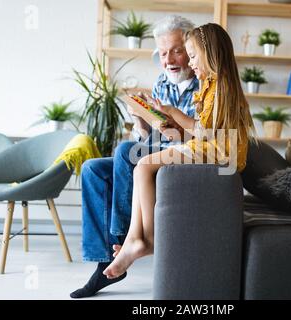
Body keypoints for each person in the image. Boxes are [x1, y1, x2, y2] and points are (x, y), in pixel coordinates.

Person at [103, 23, 256, 280]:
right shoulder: (212, 85)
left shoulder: (221, 87)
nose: (191, 62)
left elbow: (207, 134)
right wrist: (165, 120)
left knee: (143, 166)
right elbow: (202, 131)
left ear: (211, 54)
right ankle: (134, 239)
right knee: (142, 166)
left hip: (219, 153)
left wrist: (173, 113)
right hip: (211, 148)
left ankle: (149, 240)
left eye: (193, 56)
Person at [70, 15, 198, 299]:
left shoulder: (203, 84)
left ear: (190, 49)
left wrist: (172, 127)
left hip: (183, 157)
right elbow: (150, 139)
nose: (168, 59)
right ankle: (105, 257)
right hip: (157, 150)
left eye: (176, 51)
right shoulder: (163, 82)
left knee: (125, 151)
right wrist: (140, 122)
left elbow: (202, 140)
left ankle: (127, 238)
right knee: (93, 169)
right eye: (163, 53)